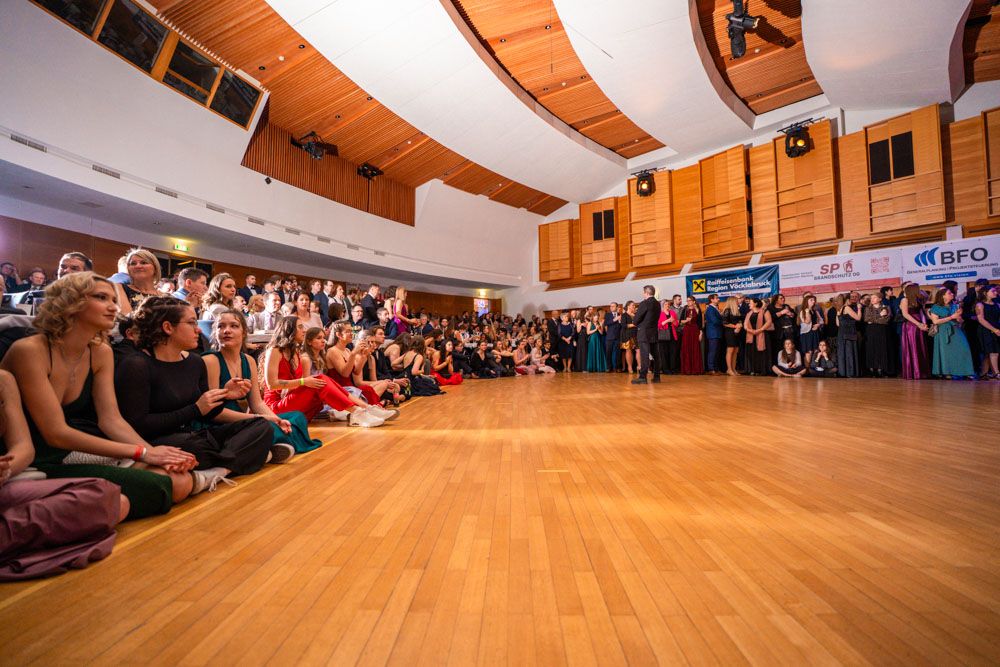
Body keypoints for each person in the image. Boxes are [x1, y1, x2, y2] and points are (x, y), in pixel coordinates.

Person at [2, 274, 196, 517]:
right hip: (29, 459)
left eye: (114, 299)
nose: (113, 307)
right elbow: (56, 433)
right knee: (160, 485)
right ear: (69, 302)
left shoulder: (100, 352)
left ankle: (92, 507)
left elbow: (111, 420)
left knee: (178, 479)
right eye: (101, 297)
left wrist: (155, 455)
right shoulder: (29, 350)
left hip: (68, 453)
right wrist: (143, 453)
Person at [117, 296, 274, 492]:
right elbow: (139, 424)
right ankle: (247, 458)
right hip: (161, 439)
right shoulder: (136, 365)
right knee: (197, 447)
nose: (198, 329)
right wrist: (195, 409)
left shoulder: (194, 362)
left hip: (194, 434)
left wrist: (224, 395)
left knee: (261, 425)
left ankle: (219, 471)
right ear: (168, 328)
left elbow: (208, 412)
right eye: (191, 323)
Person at [0, 369, 126, 581]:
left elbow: (23, 447)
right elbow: (56, 433)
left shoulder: (3, 379)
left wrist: (6, 468)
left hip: (7, 483)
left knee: (110, 498)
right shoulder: (28, 352)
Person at [203, 310, 321, 459]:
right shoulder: (211, 360)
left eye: (233, 326)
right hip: (222, 424)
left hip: (247, 420)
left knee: (296, 417)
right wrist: (262, 419)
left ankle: (269, 448)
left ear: (244, 332)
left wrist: (276, 419)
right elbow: (215, 413)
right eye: (220, 326)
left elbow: (257, 403)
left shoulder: (248, 360)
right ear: (215, 332)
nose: (226, 330)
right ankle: (269, 448)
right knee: (264, 426)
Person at [261, 316, 384, 427]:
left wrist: (304, 382)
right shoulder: (275, 350)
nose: (304, 330)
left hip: (290, 400)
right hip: (275, 406)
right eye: (300, 327)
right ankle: (358, 412)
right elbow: (272, 384)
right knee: (320, 379)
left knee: (322, 380)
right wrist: (304, 381)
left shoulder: (296, 353)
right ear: (289, 330)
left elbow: (296, 385)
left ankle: (364, 408)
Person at [325, 322, 402, 417]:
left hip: (351, 389)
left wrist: (364, 356)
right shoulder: (332, 351)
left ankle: (375, 408)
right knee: (368, 389)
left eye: (351, 331)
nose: (351, 333)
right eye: (348, 331)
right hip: (342, 389)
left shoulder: (347, 350)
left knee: (372, 389)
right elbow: (345, 374)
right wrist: (354, 354)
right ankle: (376, 408)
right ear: (338, 335)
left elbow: (356, 371)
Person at [929, 289, 975, 380]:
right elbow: (935, 321)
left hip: (956, 329)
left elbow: (960, 321)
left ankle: (966, 372)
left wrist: (959, 317)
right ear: (943, 296)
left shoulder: (954, 306)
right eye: (949, 293)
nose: (952, 294)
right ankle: (947, 372)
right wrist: (951, 317)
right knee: (945, 352)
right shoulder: (936, 307)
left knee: (964, 348)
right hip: (942, 331)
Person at [113, 248, 162, 316]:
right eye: (133, 263)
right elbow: (127, 319)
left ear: (155, 268)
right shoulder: (119, 288)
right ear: (128, 269)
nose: (138, 266)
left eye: (144, 262)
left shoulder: (165, 296)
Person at [899, 284, 930, 379]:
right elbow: (905, 314)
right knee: (913, 347)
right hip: (911, 325)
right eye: (918, 289)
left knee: (920, 346)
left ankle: (921, 372)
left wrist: (924, 323)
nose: (919, 290)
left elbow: (921, 312)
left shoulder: (918, 299)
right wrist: (918, 324)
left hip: (919, 322)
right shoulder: (905, 299)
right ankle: (913, 372)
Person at [632, 286, 661, 384]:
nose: (643, 294)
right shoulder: (657, 303)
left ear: (646, 293)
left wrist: (636, 321)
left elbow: (636, 320)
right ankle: (657, 376)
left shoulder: (644, 303)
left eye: (643, 293)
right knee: (656, 354)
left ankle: (643, 377)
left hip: (644, 332)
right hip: (653, 331)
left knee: (644, 354)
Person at [863, 292, 892, 377]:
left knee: (881, 349)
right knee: (871, 349)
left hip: (882, 330)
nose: (872, 299)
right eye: (871, 298)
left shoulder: (886, 307)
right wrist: (880, 315)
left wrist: (873, 320)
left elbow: (886, 320)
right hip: (871, 331)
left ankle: (881, 369)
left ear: (880, 299)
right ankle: (872, 369)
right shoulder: (868, 309)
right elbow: (867, 319)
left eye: (874, 297)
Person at [975, 285, 1000, 378]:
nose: (996, 293)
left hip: (996, 328)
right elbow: (981, 320)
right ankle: (996, 373)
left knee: (991, 352)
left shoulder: (997, 304)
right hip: (985, 330)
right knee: (993, 351)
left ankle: (984, 373)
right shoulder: (980, 305)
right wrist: (994, 329)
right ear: (985, 293)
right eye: (993, 291)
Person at [743, 298, 773, 376]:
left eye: (750, 303)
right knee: (752, 353)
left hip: (762, 334)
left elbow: (769, 322)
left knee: (761, 353)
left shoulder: (765, 311)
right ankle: (752, 370)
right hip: (751, 335)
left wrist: (759, 330)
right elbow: (745, 325)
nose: (749, 304)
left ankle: (762, 370)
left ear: (756, 304)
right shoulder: (748, 313)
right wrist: (750, 330)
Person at [837, 293, 861, 378]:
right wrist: (859, 308)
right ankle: (851, 372)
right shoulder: (847, 308)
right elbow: (858, 318)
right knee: (850, 352)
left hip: (841, 333)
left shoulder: (839, 309)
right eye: (851, 298)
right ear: (847, 299)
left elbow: (838, 324)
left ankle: (844, 372)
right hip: (849, 332)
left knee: (844, 352)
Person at [680, 296, 703, 375]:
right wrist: (686, 320)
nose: (688, 302)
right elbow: (681, 321)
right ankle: (687, 369)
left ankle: (696, 369)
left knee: (695, 348)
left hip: (695, 330)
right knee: (687, 348)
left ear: (693, 301)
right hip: (687, 330)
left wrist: (700, 333)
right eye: (687, 301)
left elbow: (700, 323)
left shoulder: (697, 309)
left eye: (689, 300)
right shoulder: (685, 309)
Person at [721, 296, 743, 376]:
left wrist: (740, 325)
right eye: (736, 300)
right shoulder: (727, 310)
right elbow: (725, 323)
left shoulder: (737, 310)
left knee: (736, 351)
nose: (738, 301)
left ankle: (734, 369)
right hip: (729, 332)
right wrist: (735, 326)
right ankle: (729, 369)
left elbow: (740, 320)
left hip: (737, 332)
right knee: (730, 350)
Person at [704, 294, 723, 375]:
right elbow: (714, 321)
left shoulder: (715, 308)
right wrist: (723, 322)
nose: (718, 299)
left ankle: (715, 368)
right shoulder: (710, 309)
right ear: (711, 300)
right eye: (716, 298)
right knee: (712, 351)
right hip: (713, 333)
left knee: (716, 351)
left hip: (716, 332)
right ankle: (711, 369)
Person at [620, 301, 638, 374]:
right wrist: (634, 324)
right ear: (628, 306)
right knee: (628, 350)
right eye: (633, 305)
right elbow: (624, 325)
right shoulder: (624, 315)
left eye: (634, 305)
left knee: (638, 350)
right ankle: (629, 367)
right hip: (626, 334)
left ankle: (639, 366)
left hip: (636, 334)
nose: (634, 306)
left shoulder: (636, 315)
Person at [603, 303, 622, 371]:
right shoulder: (608, 315)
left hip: (618, 336)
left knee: (618, 353)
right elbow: (606, 323)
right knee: (608, 352)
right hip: (609, 337)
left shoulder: (620, 315)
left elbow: (622, 326)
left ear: (617, 307)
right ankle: (609, 367)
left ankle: (618, 367)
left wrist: (620, 320)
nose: (611, 307)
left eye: (613, 306)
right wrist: (615, 319)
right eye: (610, 306)